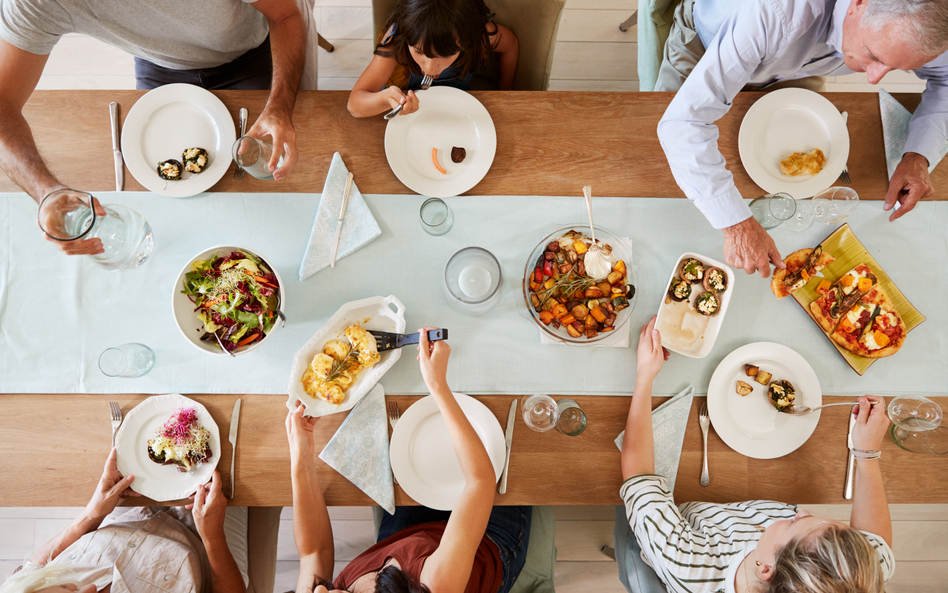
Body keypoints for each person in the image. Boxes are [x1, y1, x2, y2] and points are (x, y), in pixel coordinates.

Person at [656, 0, 948, 277]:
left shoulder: (929, 18)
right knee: (664, 178)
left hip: (795, 65)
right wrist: (737, 225)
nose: (874, 79)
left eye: (894, 68)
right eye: (873, 56)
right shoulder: (772, 11)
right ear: (859, 3)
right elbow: (682, 123)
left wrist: (917, 156)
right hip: (709, 44)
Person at [0, 0, 307, 256]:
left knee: (269, 187)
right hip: (162, 65)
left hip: (255, 51)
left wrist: (279, 107)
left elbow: (286, 15)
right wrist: (46, 192)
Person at [614, 316, 895, 593]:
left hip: (679, 520)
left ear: (765, 568)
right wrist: (867, 453)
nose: (803, 511)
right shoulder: (859, 573)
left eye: (796, 523)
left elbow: (640, 477)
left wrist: (645, 375)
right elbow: (875, 541)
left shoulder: (689, 562)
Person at [287, 328, 531, 593]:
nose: (320, 590)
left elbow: (314, 552)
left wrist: (301, 454)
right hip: (487, 541)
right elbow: (480, 482)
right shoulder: (436, 586)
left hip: (411, 539)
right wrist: (437, 384)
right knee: (521, 446)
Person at [0, 449, 247, 593]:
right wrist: (212, 535)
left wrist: (92, 513)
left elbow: (36, 567)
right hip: (203, 539)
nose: (89, 588)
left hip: (123, 516)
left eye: (65, 586)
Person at [347, 0, 518, 118]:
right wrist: (385, 99)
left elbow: (510, 45)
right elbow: (354, 105)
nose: (429, 68)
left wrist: (505, 92)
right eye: (418, 51)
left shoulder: (478, 35)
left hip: (458, 111)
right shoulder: (396, 41)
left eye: (445, 55)